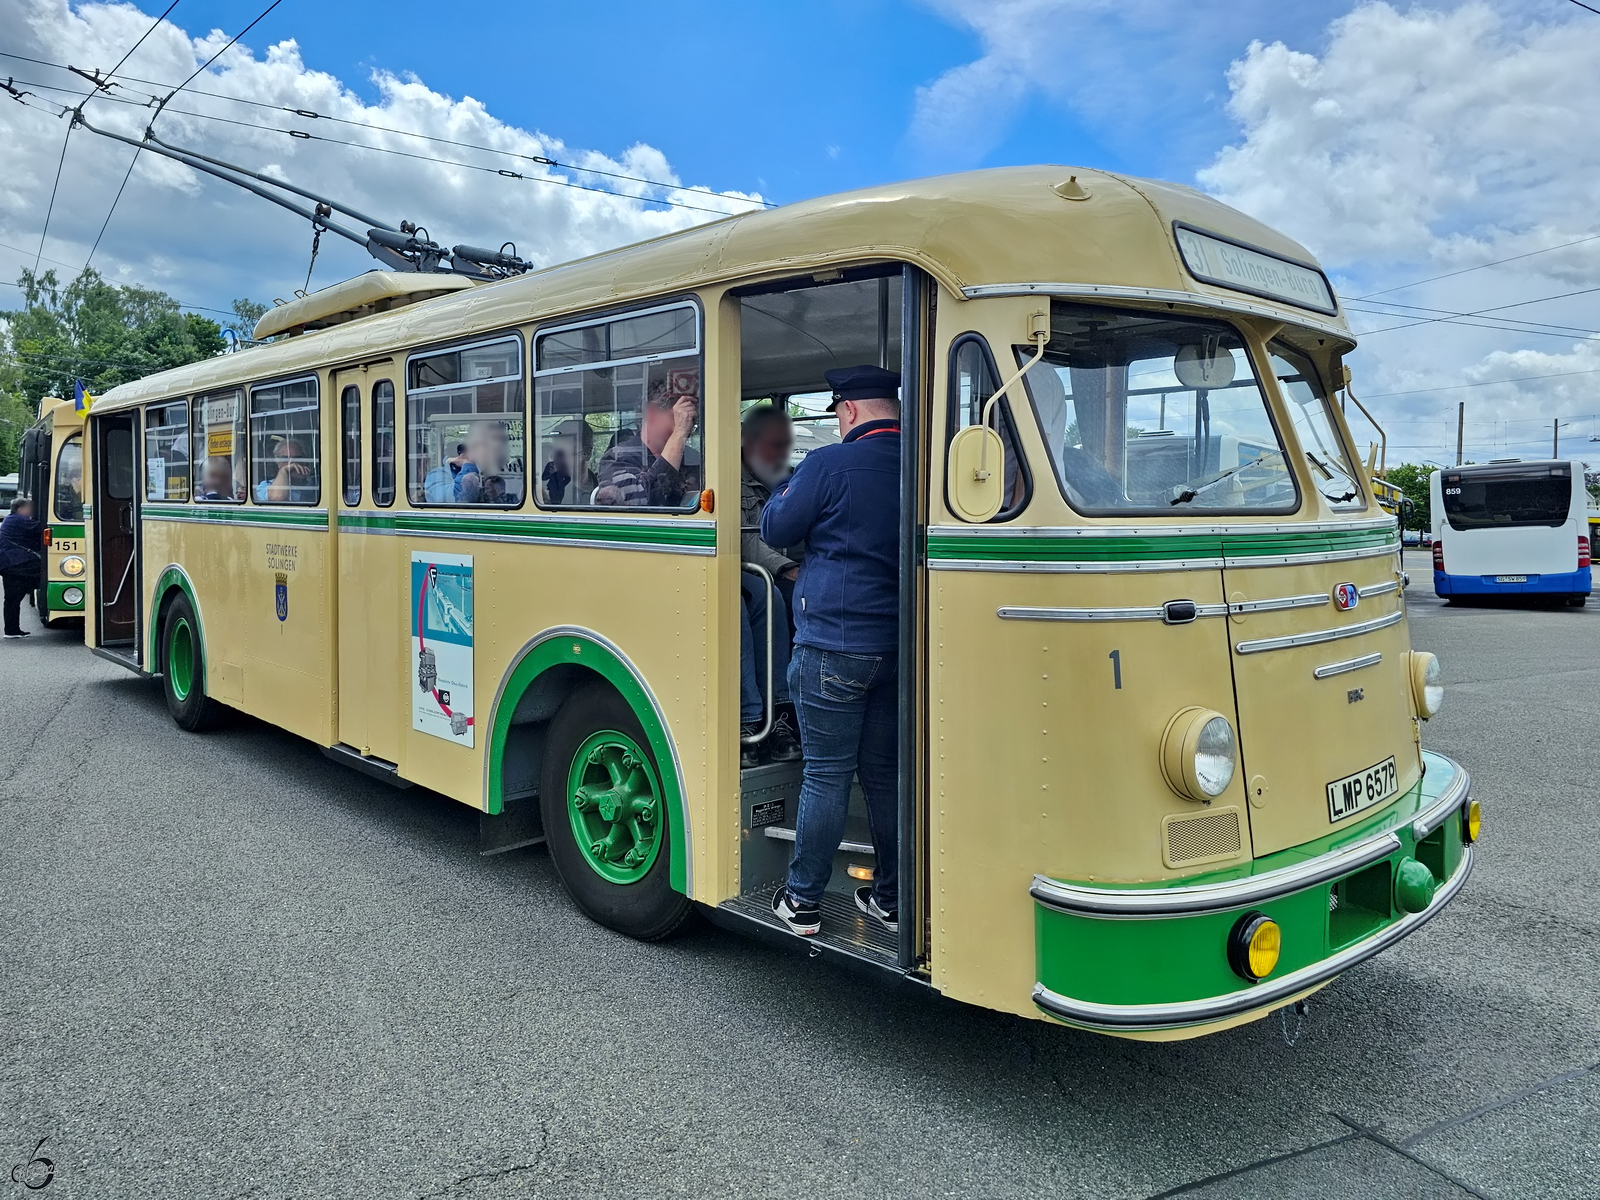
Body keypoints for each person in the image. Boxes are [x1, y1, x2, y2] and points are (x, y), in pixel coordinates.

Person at [761, 365, 902, 937]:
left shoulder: (829, 463)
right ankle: (891, 900)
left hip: (835, 644)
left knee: (826, 773)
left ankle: (802, 901)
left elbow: (774, 527)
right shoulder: (926, 464)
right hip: (900, 647)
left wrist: (784, 483)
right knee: (886, 774)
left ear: (846, 410)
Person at [738, 405, 801, 768]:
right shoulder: (727, 475)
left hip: (766, 568)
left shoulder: (785, 477)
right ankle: (755, 718)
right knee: (765, 594)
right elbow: (743, 540)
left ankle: (785, 714)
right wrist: (787, 567)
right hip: (737, 567)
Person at [594, 377, 698, 507]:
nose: (687, 425)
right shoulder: (617, 458)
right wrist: (679, 433)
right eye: (679, 416)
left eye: (691, 419)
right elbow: (636, 502)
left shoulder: (692, 458)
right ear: (651, 413)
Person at [425, 423, 514, 504]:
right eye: (485, 444)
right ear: (466, 450)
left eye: (502, 442)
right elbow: (451, 501)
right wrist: (469, 466)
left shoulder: (508, 474)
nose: (495, 448)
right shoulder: (439, 474)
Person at [0, 497, 43, 639]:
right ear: (21, 509)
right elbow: (42, 528)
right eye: (28, 509)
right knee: (43, 576)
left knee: (12, 599)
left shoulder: (10, 519)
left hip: (9, 564)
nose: (30, 511)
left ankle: (12, 630)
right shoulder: (18, 520)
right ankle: (11, 630)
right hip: (16, 564)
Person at [255, 436, 317, 503]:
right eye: (285, 458)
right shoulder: (266, 485)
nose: (291, 463)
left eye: (297, 458)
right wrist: (284, 471)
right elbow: (277, 498)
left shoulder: (315, 484)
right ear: (278, 462)